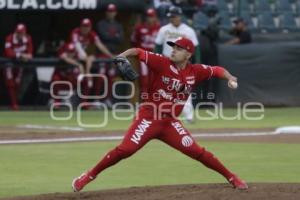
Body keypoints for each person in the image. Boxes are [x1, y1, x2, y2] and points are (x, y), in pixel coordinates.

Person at [72, 37, 248, 192]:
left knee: (197, 151)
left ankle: (232, 177)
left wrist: (230, 77)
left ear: (188, 54)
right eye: (173, 47)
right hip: (149, 117)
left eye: (179, 48)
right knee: (126, 149)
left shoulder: (195, 71)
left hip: (169, 123)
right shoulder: (162, 62)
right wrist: (121, 56)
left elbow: (216, 70)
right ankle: (89, 175)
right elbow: (138, 51)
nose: (174, 50)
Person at [155, 6, 200, 123]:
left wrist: (197, 63)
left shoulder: (188, 30)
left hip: (182, 64)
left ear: (180, 16)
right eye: (170, 16)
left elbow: (196, 47)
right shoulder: (164, 29)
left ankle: (189, 116)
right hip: (167, 62)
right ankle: (163, 114)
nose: (172, 19)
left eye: (174, 16)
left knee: (185, 89)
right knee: (164, 90)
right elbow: (158, 46)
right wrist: (157, 62)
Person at [70, 18, 113, 99]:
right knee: (75, 79)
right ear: (80, 26)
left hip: (83, 60)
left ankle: (85, 101)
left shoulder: (92, 34)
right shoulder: (76, 32)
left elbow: (100, 45)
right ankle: (71, 96)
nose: (85, 28)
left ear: (90, 27)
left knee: (91, 60)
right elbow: (77, 46)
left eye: (87, 26)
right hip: (74, 58)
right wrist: (85, 57)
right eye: (83, 26)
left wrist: (111, 55)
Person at [95, 3, 124, 107]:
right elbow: (103, 36)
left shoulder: (118, 25)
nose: (110, 13)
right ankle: (97, 99)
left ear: (115, 13)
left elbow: (121, 39)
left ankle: (107, 99)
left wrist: (110, 36)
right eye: (109, 11)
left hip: (114, 55)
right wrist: (114, 35)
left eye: (112, 11)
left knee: (110, 77)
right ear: (106, 12)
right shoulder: (101, 24)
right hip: (102, 55)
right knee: (100, 76)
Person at [131, 8, 161, 98]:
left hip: (155, 56)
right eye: (148, 17)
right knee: (144, 78)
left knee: (154, 78)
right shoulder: (140, 28)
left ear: (155, 17)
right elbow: (133, 41)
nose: (149, 19)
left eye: (151, 17)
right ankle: (144, 99)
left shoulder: (159, 28)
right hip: (144, 56)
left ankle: (152, 99)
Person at [3, 23, 33, 111]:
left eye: (22, 32)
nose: (20, 34)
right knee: (10, 84)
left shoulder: (27, 38)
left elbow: (30, 53)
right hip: (10, 64)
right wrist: (20, 55)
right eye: (19, 32)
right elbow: (8, 52)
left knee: (17, 84)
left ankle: (16, 102)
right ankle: (14, 104)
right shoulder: (10, 38)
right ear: (16, 32)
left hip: (20, 65)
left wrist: (26, 56)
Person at [50, 42, 84, 109]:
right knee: (55, 79)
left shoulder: (78, 56)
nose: (70, 54)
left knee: (84, 81)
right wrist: (78, 64)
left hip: (71, 81)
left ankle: (83, 103)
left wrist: (81, 74)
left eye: (72, 52)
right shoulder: (63, 53)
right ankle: (57, 102)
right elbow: (64, 58)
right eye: (68, 52)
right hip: (61, 79)